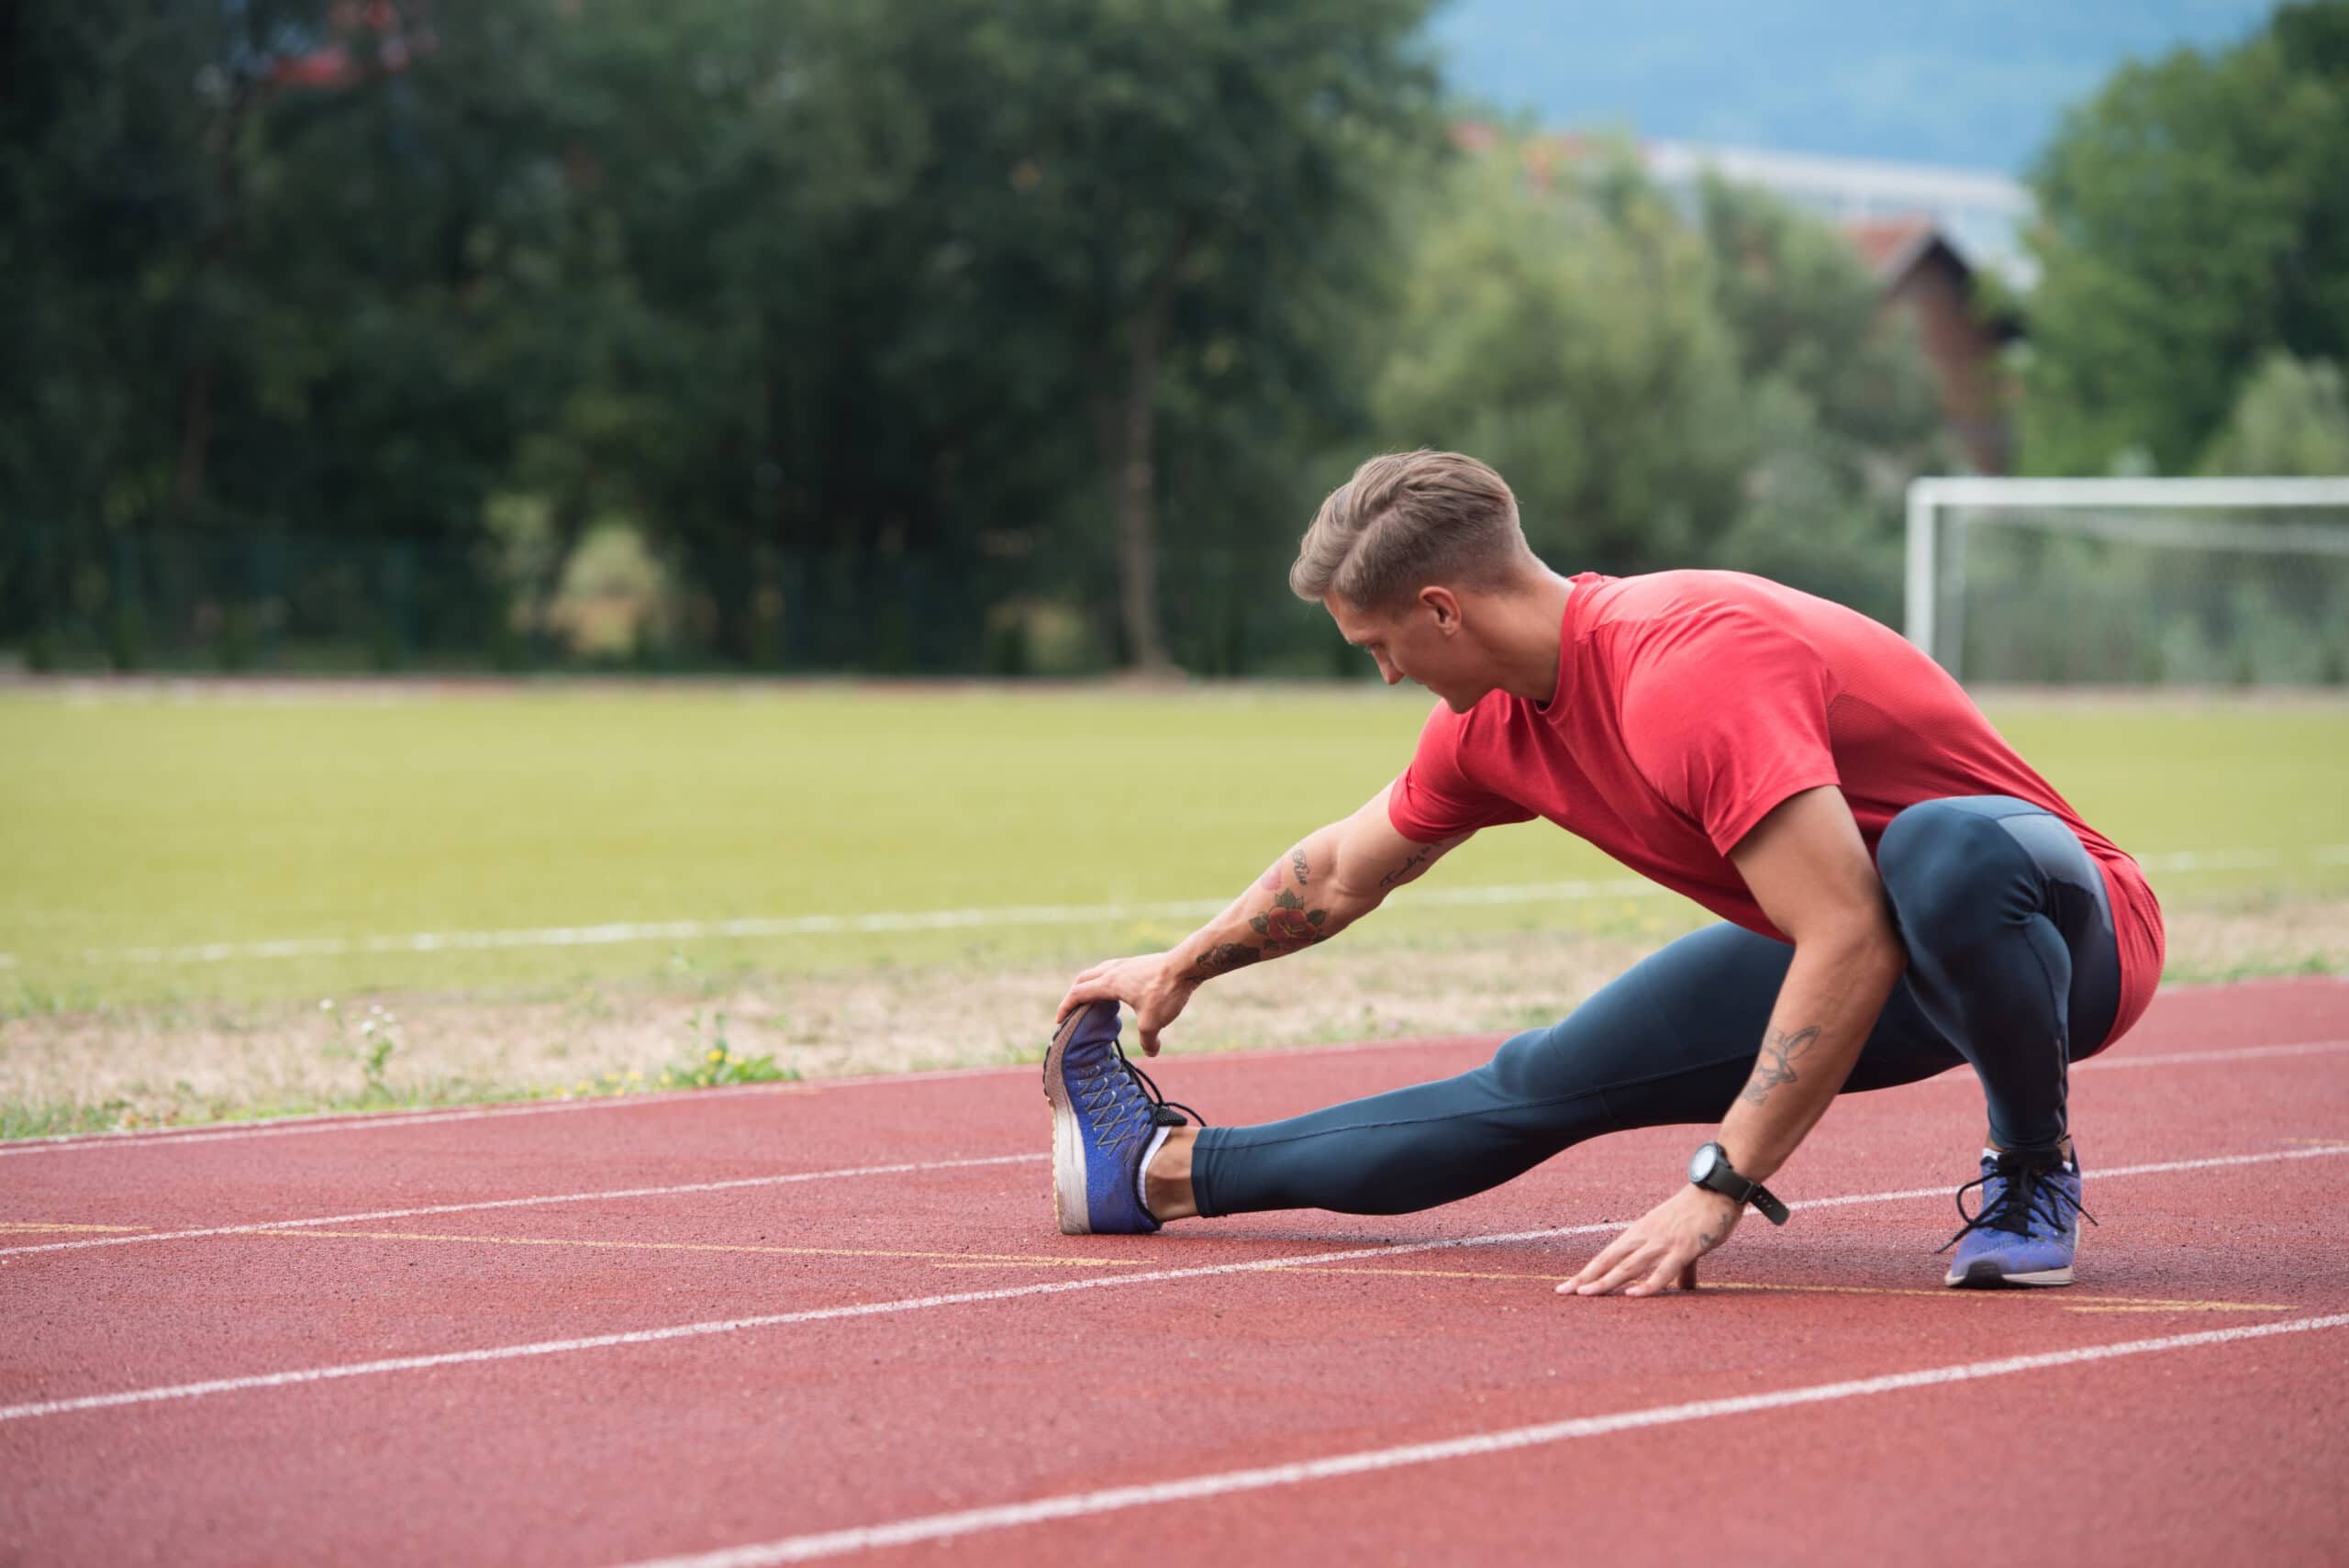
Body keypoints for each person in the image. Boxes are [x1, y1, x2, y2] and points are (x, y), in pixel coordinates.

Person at [1048, 450, 2165, 1297]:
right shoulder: (1489, 724)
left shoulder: (1685, 666)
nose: (1386, 674)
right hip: (1863, 938)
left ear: (1444, 608)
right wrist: (1179, 963)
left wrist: (1717, 1183)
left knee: (1939, 847)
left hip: (2065, 939)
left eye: (1379, 644)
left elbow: (1850, 933)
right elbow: (1342, 869)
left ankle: (2031, 1165)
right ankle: (1158, 1171)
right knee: (1539, 1081)